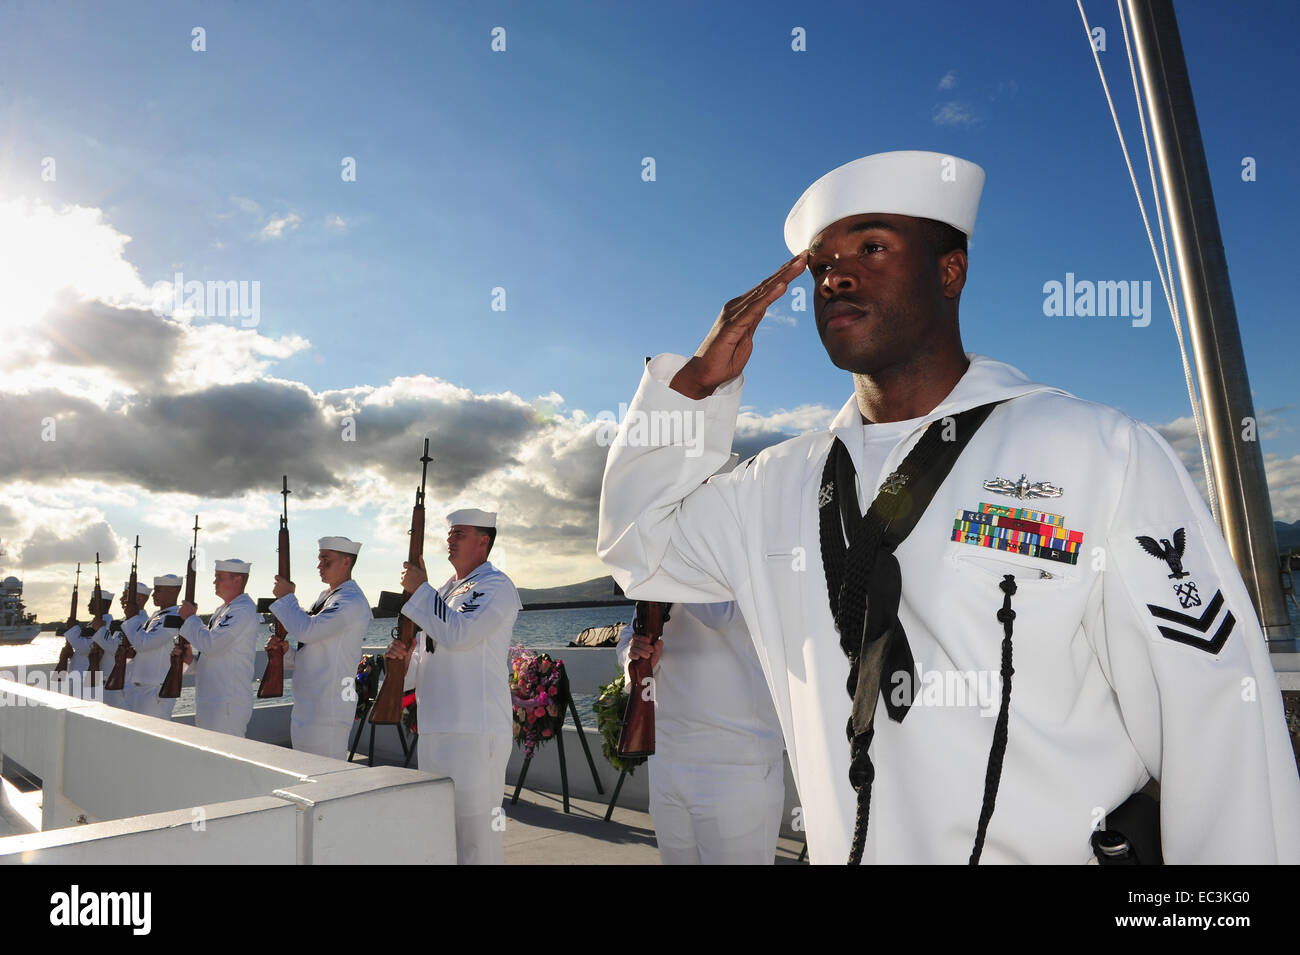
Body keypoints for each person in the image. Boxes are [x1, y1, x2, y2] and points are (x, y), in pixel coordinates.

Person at [597, 150, 1300, 864]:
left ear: (950, 271)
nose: (837, 275)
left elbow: (1215, 716)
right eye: (821, 265)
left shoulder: (1095, 452)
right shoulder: (775, 484)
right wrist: (692, 389)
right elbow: (639, 544)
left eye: (873, 247)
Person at [387, 508, 520, 865]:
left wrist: (420, 591)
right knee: (441, 835)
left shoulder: (495, 586)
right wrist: (403, 662)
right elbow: (429, 658)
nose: (450, 539)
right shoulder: (445, 591)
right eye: (449, 533)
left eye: (459, 533)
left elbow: (460, 635)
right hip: (435, 731)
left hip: (474, 733)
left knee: (478, 841)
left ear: (483, 541)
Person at [617, 600, 786, 864]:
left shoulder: (742, 559)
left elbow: (723, 616)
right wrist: (635, 654)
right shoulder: (661, 570)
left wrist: (670, 562)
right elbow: (630, 635)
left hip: (735, 763)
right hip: (667, 760)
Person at [269, 536, 372, 759]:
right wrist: (286, 652)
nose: (319, 566)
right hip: (309, 706)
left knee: (327, 780)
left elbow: (308, 630)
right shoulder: (327, 598)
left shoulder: (350, 600)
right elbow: (312, 650)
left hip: (328, 709)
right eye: (319, 559)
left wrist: (287, 598)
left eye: (326, 560)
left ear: (346, 562)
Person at [178, 558, 257, 737]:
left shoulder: (242, 610)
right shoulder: (224, 610)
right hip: (213, 700)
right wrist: (191, 661)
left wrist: (191, 618)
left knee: (228, 759)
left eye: (219, 577)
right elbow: (214, 656)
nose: (214, 582)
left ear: (237, 580)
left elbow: (211, 645)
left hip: (227, 703)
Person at [121, 574, 184, 721]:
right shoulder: (158, 615)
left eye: (158, 590)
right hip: (141, 688)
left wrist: (131, 618)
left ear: (173, 591)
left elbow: (144, 643)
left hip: (156, 690)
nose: (154, 594)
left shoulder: (175, 616)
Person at [92, 580, 151, 710]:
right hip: (114, 682)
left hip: (124, 686)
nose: (121, 599)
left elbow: (116, 649)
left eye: (126, 595)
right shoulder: (127, 621)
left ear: (139, 598)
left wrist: (100, 630)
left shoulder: (140, 621)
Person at [62, 587, 115, 700]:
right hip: (81, 677)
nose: (88, 605)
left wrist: (72, 629)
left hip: (90, 679)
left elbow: (85, 648)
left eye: (92, 602)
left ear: (101, 605)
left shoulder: (106, 624)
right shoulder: (93, 623)